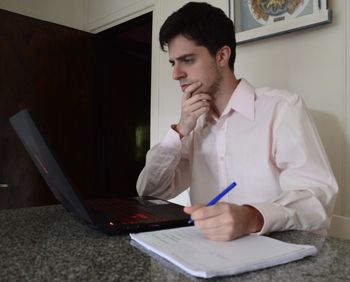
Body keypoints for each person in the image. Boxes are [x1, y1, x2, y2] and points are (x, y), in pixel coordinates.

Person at [136, 2, 338, 241]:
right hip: (206, 258)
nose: (175, 73)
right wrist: (179, 132)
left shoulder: (282, 109)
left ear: (222, 55)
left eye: (187, 60)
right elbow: (149, 193)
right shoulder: (193, 126)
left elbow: (317, 198)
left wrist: (252, 217)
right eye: (173, 62)